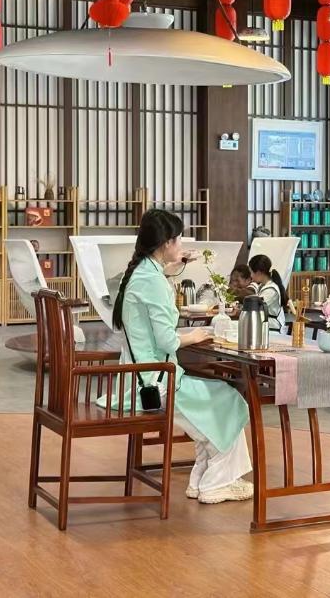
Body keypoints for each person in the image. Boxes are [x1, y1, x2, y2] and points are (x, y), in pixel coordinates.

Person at [108, 209, 252, 504]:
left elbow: (153, 297)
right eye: (179, 239)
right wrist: (198, 335)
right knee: (228, 399)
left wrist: (176, 264)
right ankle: (217, 483)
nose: (182, 244)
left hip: (137, 377)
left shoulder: (138, 273)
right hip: (156, 382)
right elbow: (168, 340)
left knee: (214, 404)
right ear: (166, 243)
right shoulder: (153, 281)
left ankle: (202, 479)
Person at [248, 254, 288, 332]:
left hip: (272, 330)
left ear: (258, 272)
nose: (251, 276)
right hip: (265, 328)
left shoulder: (271, 290)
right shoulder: (263, 286)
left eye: (251, 272)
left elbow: (256, 307)